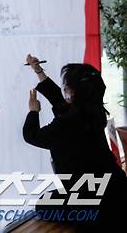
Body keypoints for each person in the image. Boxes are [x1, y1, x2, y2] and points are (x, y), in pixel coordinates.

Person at [23, 54, 127, 230]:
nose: (65, 90)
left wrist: (33, 111)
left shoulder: (66, 124)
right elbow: (60, 102)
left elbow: (32, 135)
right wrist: (39, 71)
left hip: (92, 204)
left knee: (44, 205)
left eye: (67, 87)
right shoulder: (95, 111)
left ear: (74, 93)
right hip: (118, 191)